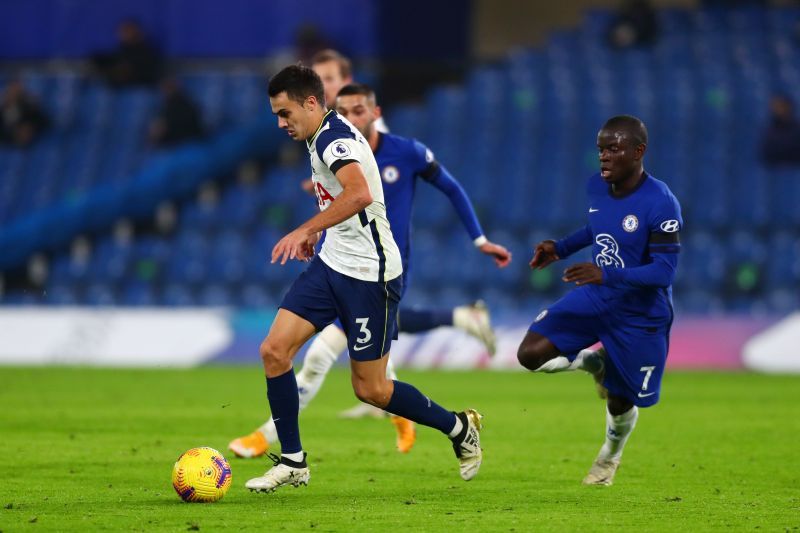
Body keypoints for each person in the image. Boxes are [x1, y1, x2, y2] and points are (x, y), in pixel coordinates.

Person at [230, 83, 511, 459]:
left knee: (371, 388)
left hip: (374, 270)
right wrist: (321, 230)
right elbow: (341, 195)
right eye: (346, 109)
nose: (281, 122)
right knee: (277, 350)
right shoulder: (324, 141)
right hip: (334, 261)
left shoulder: (381, 148)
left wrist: (479, 240)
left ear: (375, 112)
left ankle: (456, 425)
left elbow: (371, 193)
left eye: (285, 113)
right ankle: (291, 458)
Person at [517, 115, 682, 486]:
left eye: (613, 149)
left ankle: (610, 456)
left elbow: (663, 273)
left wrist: (607, 273)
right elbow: (597, 228)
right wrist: (559, 248)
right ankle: (595, 362)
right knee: (529, 355)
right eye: (601, 150)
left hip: (641, 314)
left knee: (623, 401)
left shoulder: (661, 203)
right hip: (597, 297)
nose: (604, 157)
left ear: (638, 152)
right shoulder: (597, 187)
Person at [91, 19, 162, 87]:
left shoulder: (146, 51)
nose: (123, 34)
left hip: (139, 89)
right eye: (122, 31)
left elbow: (129, 72)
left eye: (127, 31)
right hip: (117, 89)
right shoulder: (121, 50)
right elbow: (108, 60)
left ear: (136, 32)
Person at [149, 78, 205, 147]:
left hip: (184, 148)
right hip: (192, 145)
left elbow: (157, 133)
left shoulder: (175, 106)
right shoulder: (188, 103)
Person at [0, 80, 49, 148]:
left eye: (17, 91)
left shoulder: (30, 108)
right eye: (11, 90)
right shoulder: (3, 110)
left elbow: (44, 123)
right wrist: (14, 134)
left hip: (33, 144)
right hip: (10, 145)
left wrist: (30, 129)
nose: (14, 93)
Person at [760, 94, 800, 167]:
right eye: (777, 107)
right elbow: (767, 154)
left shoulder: (797, 129)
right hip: (775, 169)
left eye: (783, 107)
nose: (780, 110)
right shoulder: (769, 130)